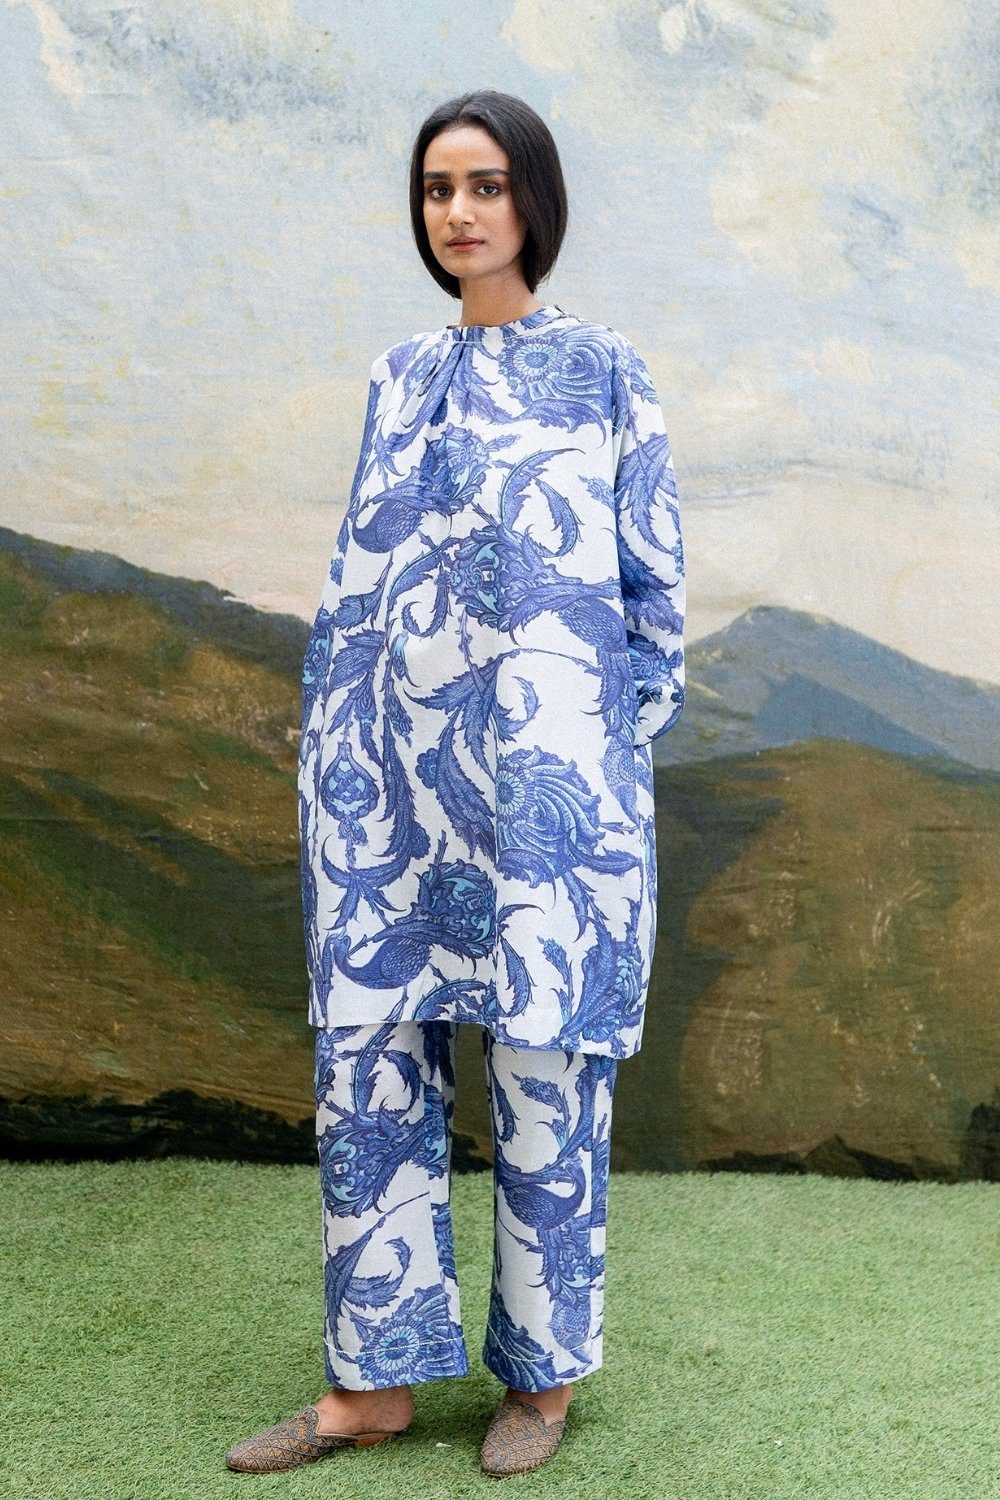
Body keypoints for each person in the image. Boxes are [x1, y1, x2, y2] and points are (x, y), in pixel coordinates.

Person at [225, 86, 685, 1480]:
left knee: (546, 1071)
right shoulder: (397, 377)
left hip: (547, 800)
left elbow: (652, 590)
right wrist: (334, 739)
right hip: (389, 790)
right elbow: (362, 573)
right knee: (370, 1070)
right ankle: (370, 1386)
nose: (461, 211)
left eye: (486, 185)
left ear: (534, 198)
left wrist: (596, 756)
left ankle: (542, 1382)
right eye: (438, 189)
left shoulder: (605, 370)